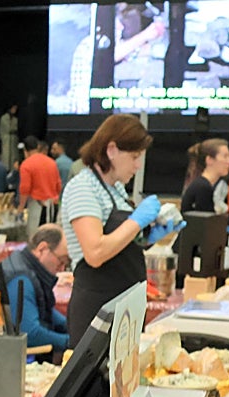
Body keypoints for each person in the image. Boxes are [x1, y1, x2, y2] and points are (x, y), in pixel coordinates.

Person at [60, 114, 167, 346]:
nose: (138, 166)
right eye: (134, 157)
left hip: (124, 305)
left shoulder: (116, 188)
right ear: (111, 150)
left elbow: (119, 240)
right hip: (97, 310)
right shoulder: (83, 187)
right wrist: (136, 221)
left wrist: (148, 236)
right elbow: (95, 252)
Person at [0, 224, 70, 360]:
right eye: (61, 260)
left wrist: (68, 325)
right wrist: (69, 341)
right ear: (42, 249)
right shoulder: (20, 279)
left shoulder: (23, 262)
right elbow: (30, 334)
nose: (62, 268)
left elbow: (41, 309)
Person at [181, 138, 229, 223]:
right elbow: (207, 226)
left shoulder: (203, 185)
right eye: (225, 156)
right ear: (209, 160)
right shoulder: (202, 187)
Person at [18, 135, 62, 237]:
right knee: (51, 238)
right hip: (53, 205)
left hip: (37, 206)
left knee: (35, 238)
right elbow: (58, 185)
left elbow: (25, 189)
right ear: (37, 147)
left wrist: (21, 208)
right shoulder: (52, 163)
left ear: (25, 150)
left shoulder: (26, 164)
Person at [0, 104, 19, 170]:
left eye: (16, 109)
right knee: (6, 156)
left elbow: (15, 128)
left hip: (13, 140)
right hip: (6, 140)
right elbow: (8, 128)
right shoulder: (4, 118)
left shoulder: (15, 119)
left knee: (13, 156)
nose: (14, 110)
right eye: (13, 108)